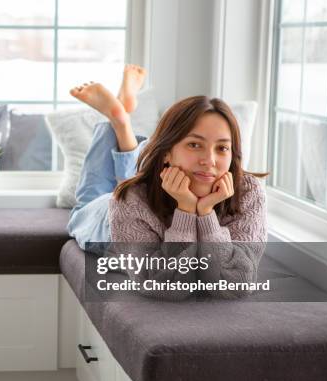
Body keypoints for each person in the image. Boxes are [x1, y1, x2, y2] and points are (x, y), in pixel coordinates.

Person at [67, 65, 267, 300]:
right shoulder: (130, 200)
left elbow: (235, 284)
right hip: (106, 220)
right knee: (89, 201)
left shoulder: (249, 192)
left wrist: (205, 215)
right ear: (166, 153)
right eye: (195, 144)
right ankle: (118, 120)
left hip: (145, 189)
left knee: (134, 181)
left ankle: (122, 119)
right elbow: (168, 287)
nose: (209, 161)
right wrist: (185, 210)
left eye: (222, 148)